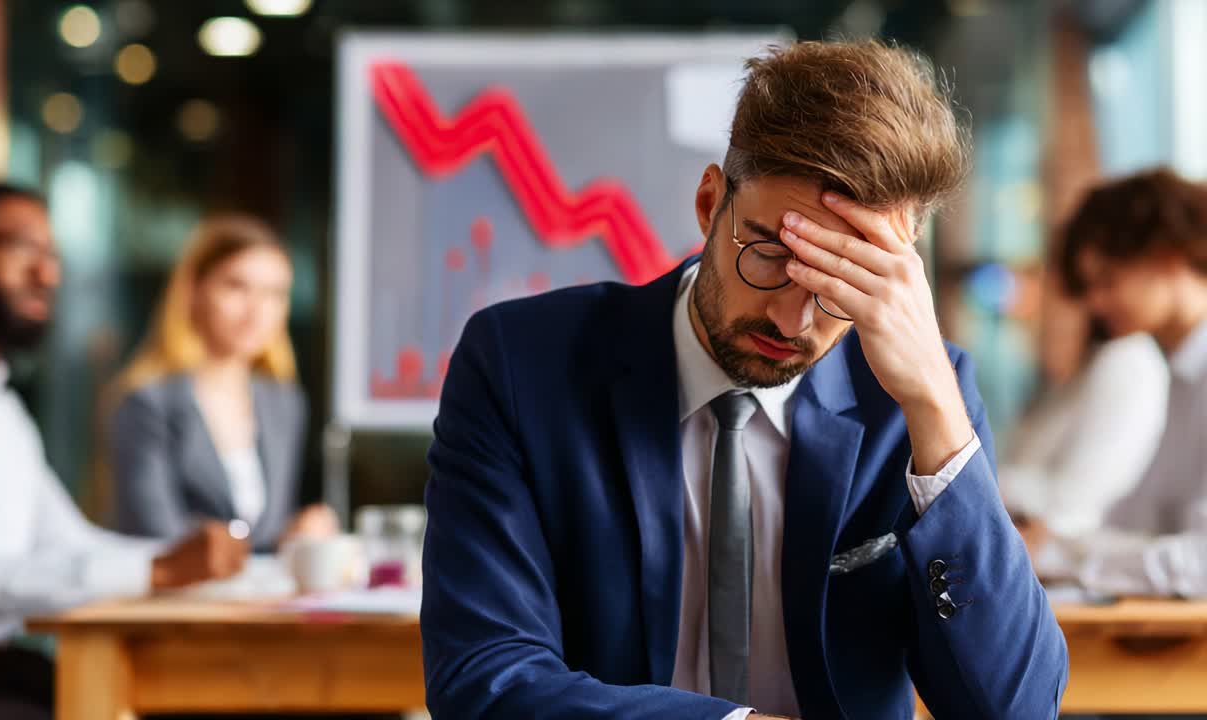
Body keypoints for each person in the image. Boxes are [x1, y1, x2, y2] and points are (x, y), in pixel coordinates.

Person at [421, 40, 1067, 720]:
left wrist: (936, 409)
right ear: (708, 204)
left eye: (843, 283)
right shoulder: (520, 364)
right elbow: (482, 679)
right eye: (769, 254)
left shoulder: (923, 397)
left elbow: (1015, 709)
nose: (792, 319)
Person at [0, 183, 248, 719]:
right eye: (20, 248)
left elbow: (67, 543)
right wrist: (157, 572)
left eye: (51, 255)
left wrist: (179, 563)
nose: (47, 274)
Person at [108, 215, 335, 552]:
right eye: (236, 286)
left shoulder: (283, 404)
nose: (257, 310)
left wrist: (296, 534)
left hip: (255, 599)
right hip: (175, 601)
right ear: (195, 291)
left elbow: (267, 532)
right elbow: (157, 535)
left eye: (274, 293)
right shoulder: (146, 404)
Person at [1039, 168, 1207, 599]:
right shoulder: (1178, 374)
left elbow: (1200, 564)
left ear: (1168, 256)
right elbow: (1137, 522)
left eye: (1107, 280)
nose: (1094, 303)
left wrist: (1059, 555)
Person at [1000, 315, 1169, 540]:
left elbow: (1074, 502)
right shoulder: (1077, 370)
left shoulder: (1126, 360)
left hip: (1066, 547)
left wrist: (989, 481)